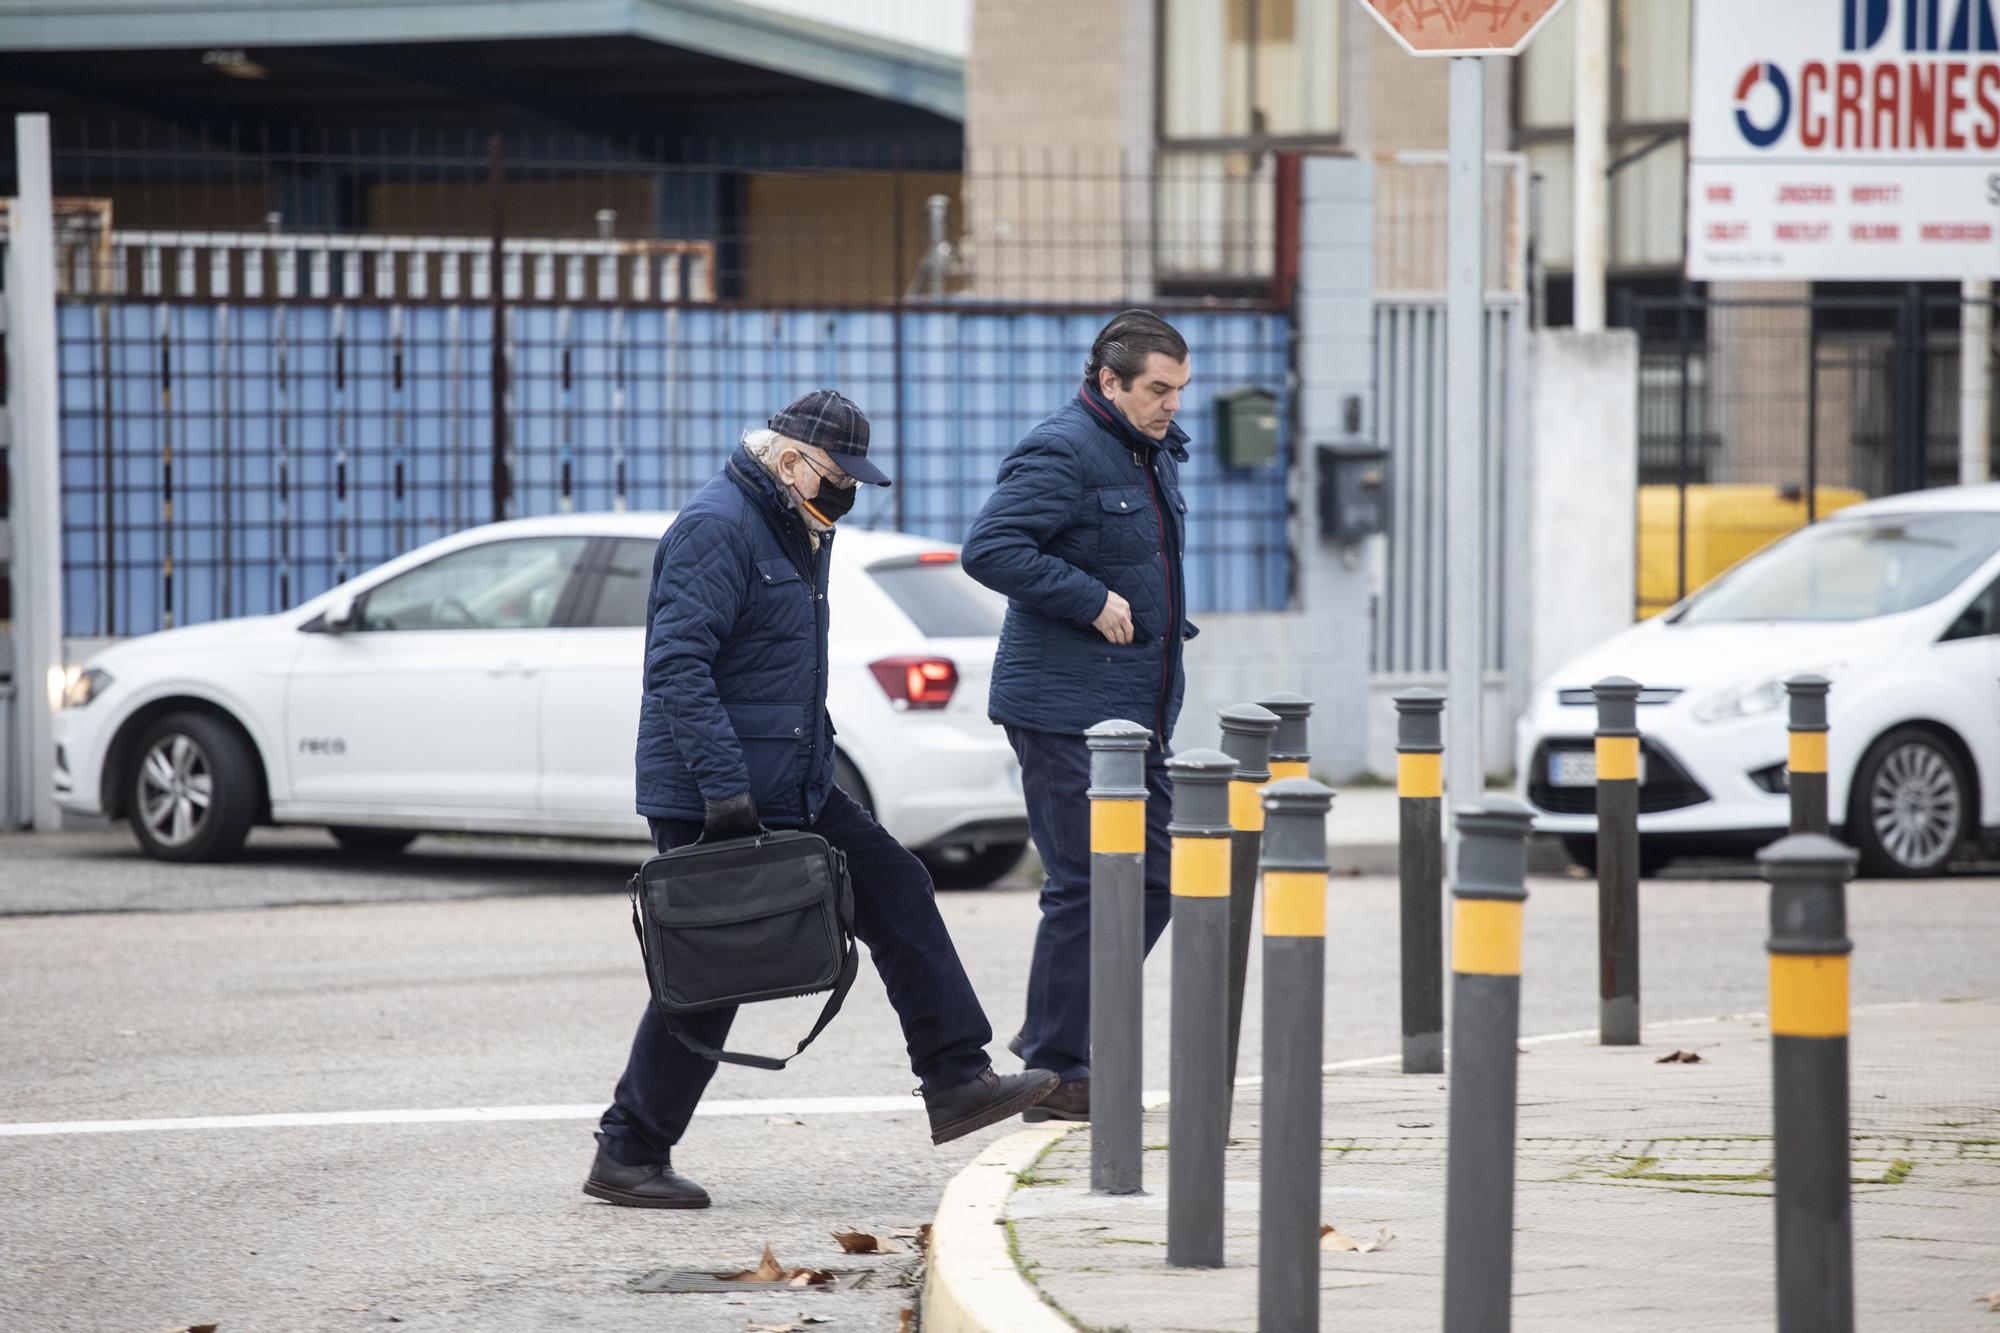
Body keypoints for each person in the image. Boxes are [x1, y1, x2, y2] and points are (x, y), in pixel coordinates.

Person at [584, 389, 1058, 1209]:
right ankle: (628, 1150)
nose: (845, 492)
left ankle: (956, 1079)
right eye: (837, 474)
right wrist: (724, 789)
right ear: (789, 456)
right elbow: (677, 668)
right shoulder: (718, 526)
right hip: (715, 791)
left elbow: (777, 667)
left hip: (794, 781)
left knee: (900, 889)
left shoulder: (802, 524)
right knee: (714, 970)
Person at [960, 311, 1194, 1124]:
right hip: (1062, 709)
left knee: (1160, 876)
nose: (1170, 405)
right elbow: (990, 547)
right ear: (1110, 382)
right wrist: (1090, 599)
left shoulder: (1147, 451)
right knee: (1084, 883)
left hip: (1132, 712)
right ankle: (1057, 1068)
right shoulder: (1064, 448)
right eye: (1157, 390)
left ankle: (1067, 1040)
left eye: (1177, 390)